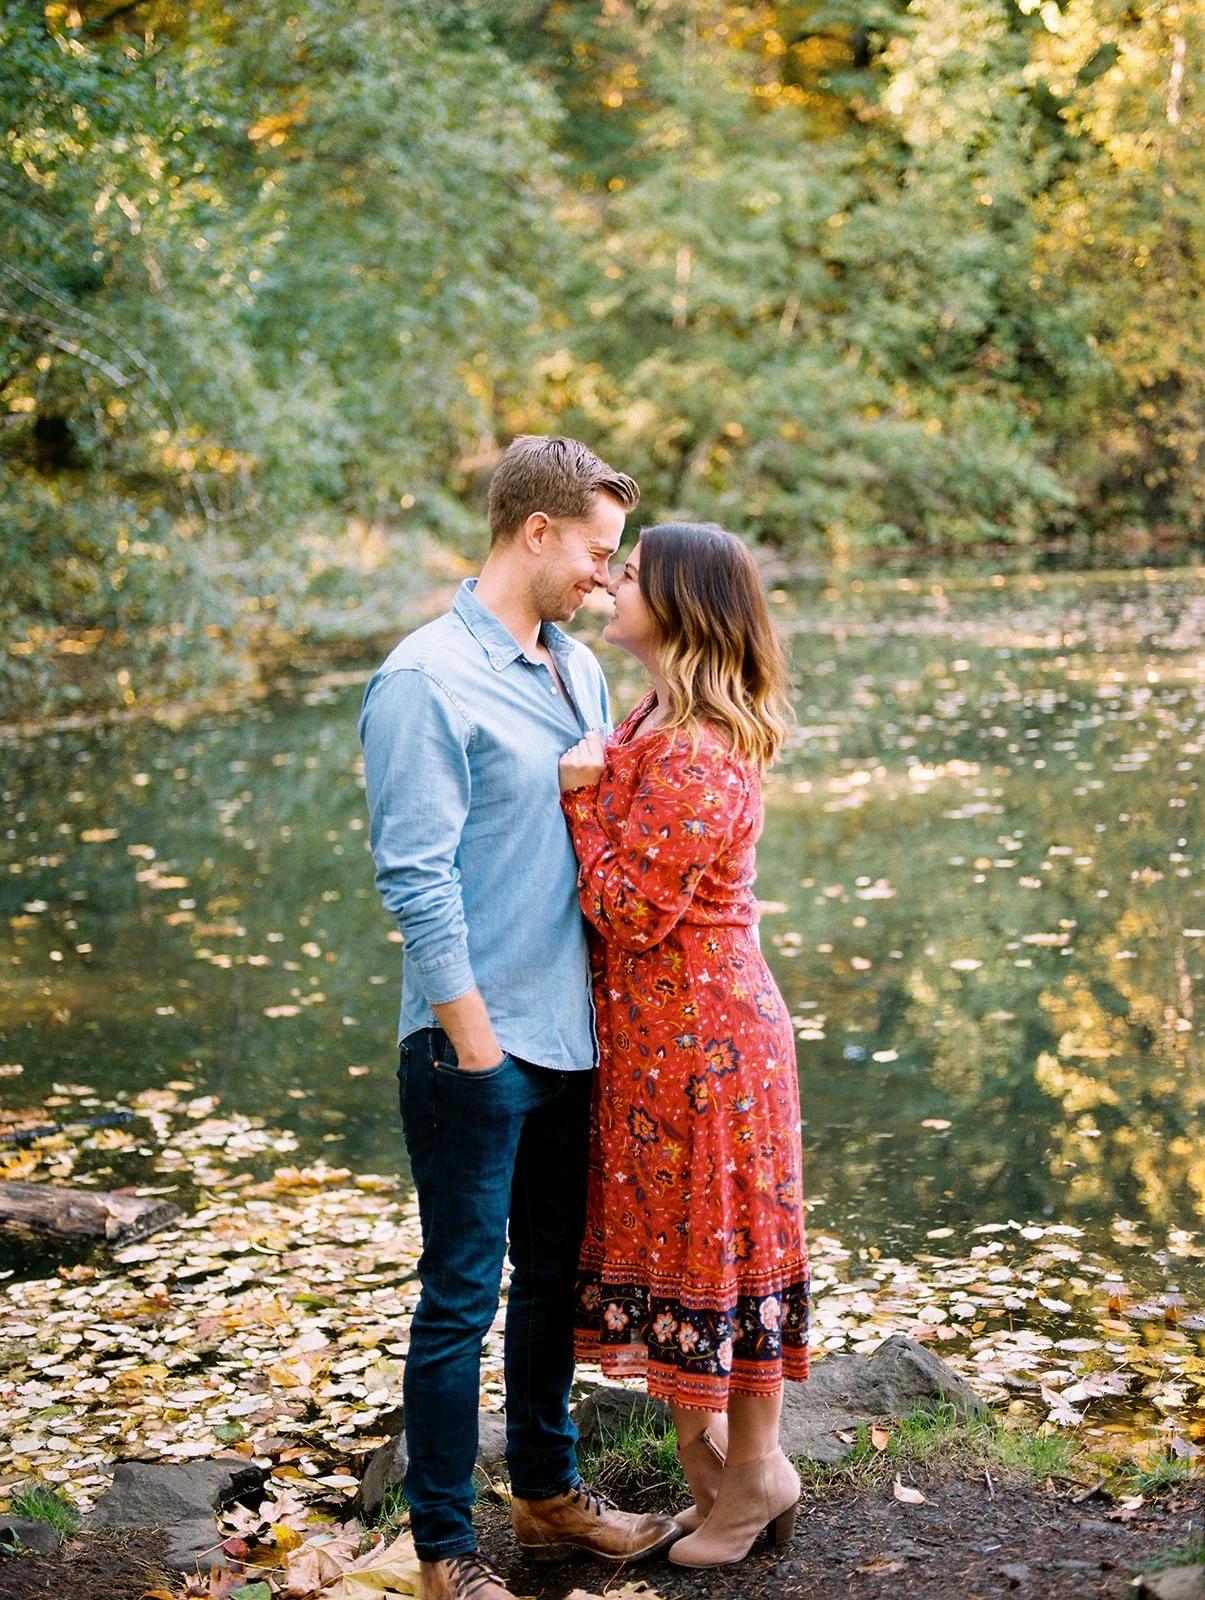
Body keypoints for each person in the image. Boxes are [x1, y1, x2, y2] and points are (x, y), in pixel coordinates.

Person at [359, 437, 679, 1600]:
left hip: (571, 1035)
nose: (607, 575)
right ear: (532, 532)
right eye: (595, 551)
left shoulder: (575, 671)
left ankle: (546, 1500)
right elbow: (414, 879)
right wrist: (475, 1039)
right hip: (472, 1045)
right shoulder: (420, 679)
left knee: (550, 1280)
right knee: (459, 1294)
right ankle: (444, 1550)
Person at [558, 521, 809, 1570]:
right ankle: (718, 1463)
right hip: (653, 1040)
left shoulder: (701, 754)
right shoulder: (654, 713)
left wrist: (579, 799)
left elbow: (626, 908)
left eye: (631, 573)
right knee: (681, 1241)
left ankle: (751, 1476)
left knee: (724, 1244)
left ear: (679, 605)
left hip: (709, 1045)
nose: (612, 583)